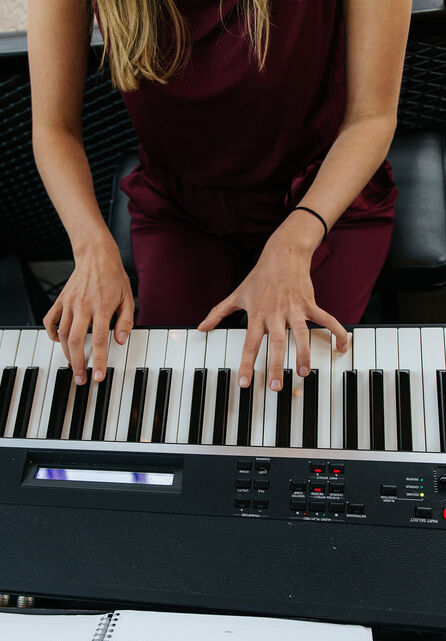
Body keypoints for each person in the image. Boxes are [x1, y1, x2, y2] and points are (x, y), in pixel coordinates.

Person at [27, 0, 411, 392]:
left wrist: (295, 243)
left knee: (299, 397)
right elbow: (54, 129)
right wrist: (92, 248)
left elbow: (372, 118)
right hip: (181, 210)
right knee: (171, 393)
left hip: (322, 197)